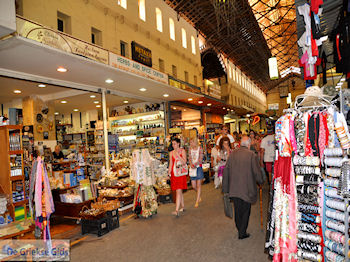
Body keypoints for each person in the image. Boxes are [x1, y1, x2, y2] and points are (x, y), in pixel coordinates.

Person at [223, 136, 264, 240]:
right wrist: (261, 181)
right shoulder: (252, 155)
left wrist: (225, 188)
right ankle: (242, 232)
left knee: (238, 209)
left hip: (234, 188)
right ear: (249, 145)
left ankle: (240, 228)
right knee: (246, 210)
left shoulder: (232, 155)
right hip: (247, 188)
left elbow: (226, 171)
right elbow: (256, 172)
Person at [168, 138, 187, 217]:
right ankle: (182, 206)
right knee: (178, 190)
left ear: (178, 143)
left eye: (175, 144)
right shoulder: (171, 153)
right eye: (172, 144)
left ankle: (176, 210)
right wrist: (169, 172)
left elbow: (184, 161)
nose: (173, 145)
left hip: (181, 173)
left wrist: (178, 155)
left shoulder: (182, 151)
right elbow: (171, 164)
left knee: (178, 191)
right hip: (174, 173)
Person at [188, 137, 204, 208]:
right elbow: (190, 158)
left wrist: (195, 164)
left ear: (195, 142)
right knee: (193, 185)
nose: (190, 144)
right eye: (190, 142)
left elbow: (201, 159)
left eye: (191, 142)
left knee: (198, 185)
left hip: (198, 168)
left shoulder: (200, 149)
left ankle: (197, 200)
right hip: (192, 168)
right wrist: (191, 164)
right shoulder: (190, 149)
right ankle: (199, 193)